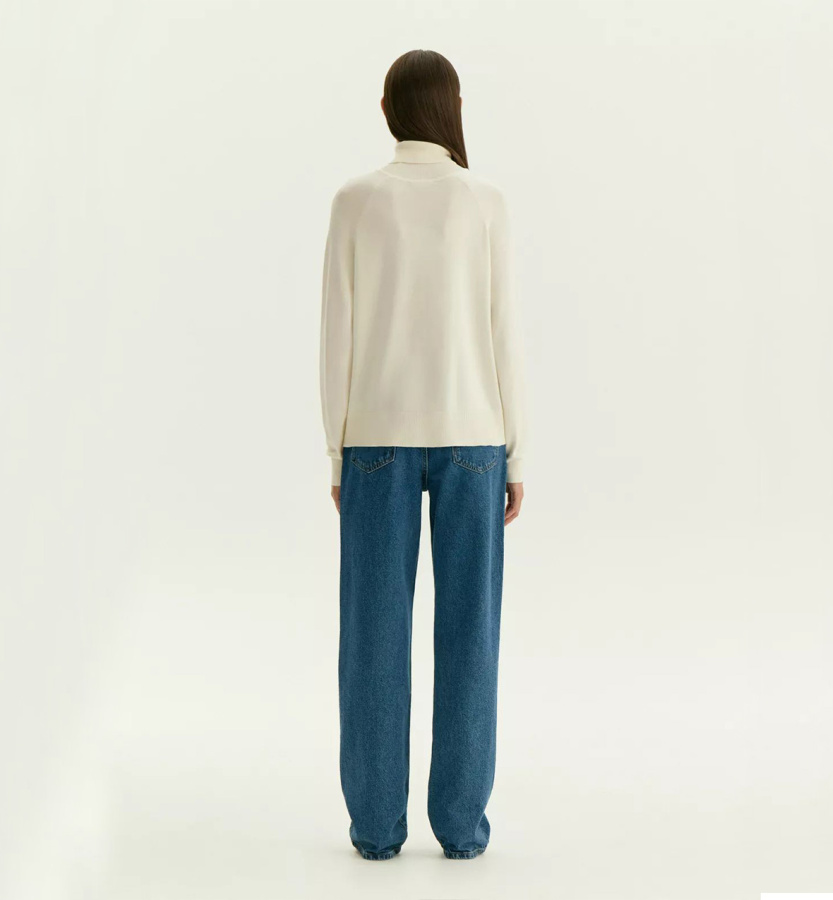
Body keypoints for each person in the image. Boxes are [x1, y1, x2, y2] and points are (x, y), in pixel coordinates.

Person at [319, 48, 527, 861]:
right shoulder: (484, 201)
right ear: (453, 108)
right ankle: (460, 828)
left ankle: (376, 829)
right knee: (471, 634)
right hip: (474, 436)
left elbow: (336, 334)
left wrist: (335, 451)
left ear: (387, 109)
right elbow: (504, 332)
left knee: (372, 635)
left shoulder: (355, 201)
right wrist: (515, 456)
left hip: (374, 438)